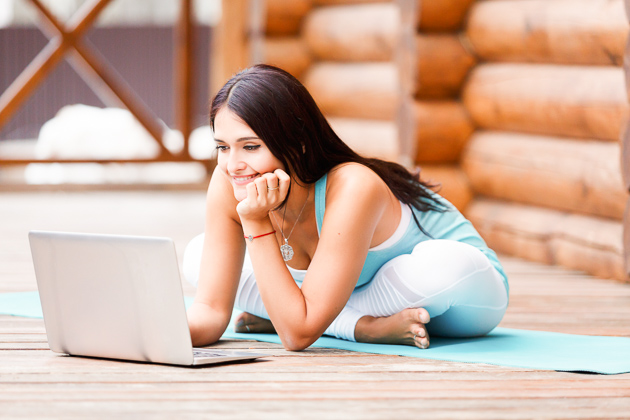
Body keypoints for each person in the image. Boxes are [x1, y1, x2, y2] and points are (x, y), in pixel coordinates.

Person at [184, 64, 509, 351]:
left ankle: (306, 316)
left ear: (297, 141)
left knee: (438, 265)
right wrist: (151, 334)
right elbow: (211, 312)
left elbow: (297, 335)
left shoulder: (354, 185)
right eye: (222, 147)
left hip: (456, 294)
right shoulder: (229, 180)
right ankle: (358, 325)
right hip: (346, 300)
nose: (233, 165)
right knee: (197, 256)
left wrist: (256, 224)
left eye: (251, 146)